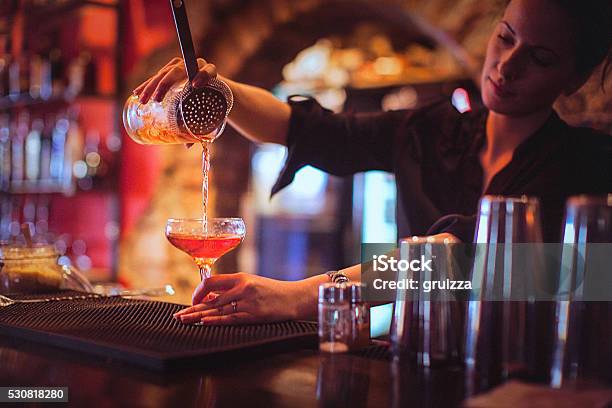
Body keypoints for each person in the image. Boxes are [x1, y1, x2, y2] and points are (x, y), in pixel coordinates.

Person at [133, 0, 612, 325]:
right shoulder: (434, 131)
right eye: (505, 38)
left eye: (540, 58)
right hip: (412, 363)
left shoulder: (588, 168)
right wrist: (221, 89)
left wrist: (298, 296)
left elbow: (461, 260)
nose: (508, 65)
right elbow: (306, 130)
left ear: (574, 79)